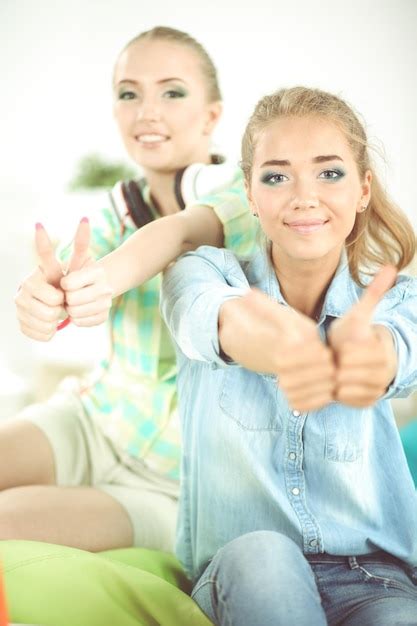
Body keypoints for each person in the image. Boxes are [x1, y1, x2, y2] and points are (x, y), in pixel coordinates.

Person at [161, 86, 417, 625]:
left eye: (330, 173)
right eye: (276, 176)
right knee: (267, 558)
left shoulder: (396, 300)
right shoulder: (203, 273)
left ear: (364, 190)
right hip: (244, 570)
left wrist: (368, 359)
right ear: (250, 195)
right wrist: (285, 348)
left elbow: (399, 348)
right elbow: (215, 320)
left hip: (375, 578)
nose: (304, 197)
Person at [9, 26, 257, 552]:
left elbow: (181, 232)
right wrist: (46, 297)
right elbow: (79, 259)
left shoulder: (249, 198)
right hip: (91, 421)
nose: (147, 111)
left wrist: (102, 283)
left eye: (172, 91)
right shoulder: (113, 209)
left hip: (176, 487)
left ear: (212, 115)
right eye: (129, 93)